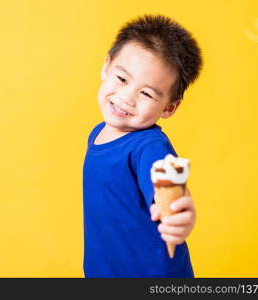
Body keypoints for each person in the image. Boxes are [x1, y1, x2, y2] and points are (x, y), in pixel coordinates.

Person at [83, 14, 202, 277]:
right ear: (106, 66)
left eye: (147, 93)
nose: (126, 98)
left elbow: (168, 183)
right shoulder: (98, 132)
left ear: (169, 107)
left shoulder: (149, 146)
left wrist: (180, 212)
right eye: (122, 79)